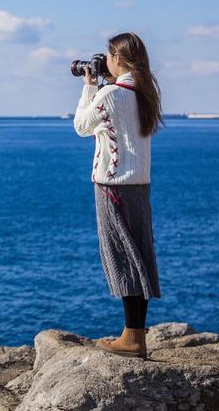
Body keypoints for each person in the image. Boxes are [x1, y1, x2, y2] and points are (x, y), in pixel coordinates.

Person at [73, 32, 164, 360]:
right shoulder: (145, 92)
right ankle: (134, 334)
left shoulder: (110, 94)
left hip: (113, 186)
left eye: (109, 56)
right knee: (138, 256)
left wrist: (89, 86)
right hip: (139, 185)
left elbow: (82, 126)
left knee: (123, 258)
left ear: (118, 59)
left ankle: (132, 339)